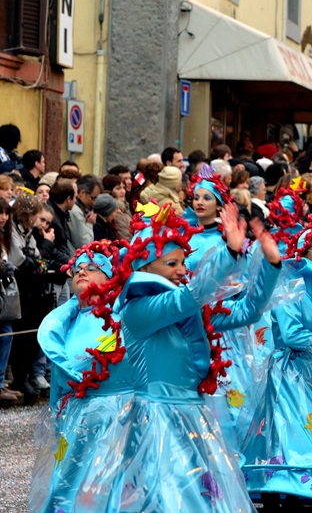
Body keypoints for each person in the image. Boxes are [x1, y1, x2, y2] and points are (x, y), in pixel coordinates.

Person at [78, 201, 282, 511]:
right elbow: (189, 297)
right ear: (145, 268)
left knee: (200, 498)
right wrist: (228, 253)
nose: (182, 271)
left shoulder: (187, 310)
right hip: (154, 419)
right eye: (171, 263)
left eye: (183, 263)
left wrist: (270, 263)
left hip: (194, 417)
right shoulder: (139, 309)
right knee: (168, 499)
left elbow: (248, 310)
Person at [241, 221, 312, 504]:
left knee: (311, 430)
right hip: (288, 375)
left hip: (311, 372)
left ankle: (304, 491)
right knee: (286, 434)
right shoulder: (289, 287)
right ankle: (282, 494)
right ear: (303, 253)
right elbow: (291, 336)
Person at [28, 242, 134, 512]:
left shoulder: (126, 314)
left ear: (109, 277)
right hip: (77, 422)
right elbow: (59, 386)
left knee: (113, 491)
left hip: (121, 419)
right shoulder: (64, 323)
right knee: (70, 488)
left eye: (92, 267)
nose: (82, 272)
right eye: (77, 269)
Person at [0, 201, 20, 404]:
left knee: (7, 334)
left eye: (6, 213)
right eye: (0, 213)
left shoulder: (5, 235)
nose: (4, 217)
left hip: (3, 292)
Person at [69, 174, 101, 251]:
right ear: (82, 193)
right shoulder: (75, 212)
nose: (94, 203)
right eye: (92, 198)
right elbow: (85, 244)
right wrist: (89, 224)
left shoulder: (80, 210)